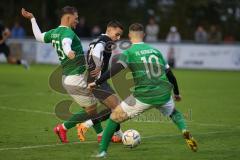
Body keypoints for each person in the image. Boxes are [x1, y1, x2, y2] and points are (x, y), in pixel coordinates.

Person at [88, 23, 198, 157]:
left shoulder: (129, 52)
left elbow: (115, 69)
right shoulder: (155, 51)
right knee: (174, 113)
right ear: (144, 35)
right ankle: (184, 130)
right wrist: (176, 93)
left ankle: (102, 152)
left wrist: (97, 82)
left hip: (143, 95)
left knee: (114, 117)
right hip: (163, 92)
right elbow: (170, 75)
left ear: (129, 36)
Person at [21, 6, 107, 143]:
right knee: (93, 109)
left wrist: (32, 19)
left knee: (91, 108)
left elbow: (38, 37)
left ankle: (99, 135)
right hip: (75, 78)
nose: (77, 21)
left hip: (69, 77)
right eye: (76, 18)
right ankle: (65, 128)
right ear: (68, 17)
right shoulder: (68, 33)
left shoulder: (54, 32)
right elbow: (66, 43)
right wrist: (68, 52)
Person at [77, 20, 124, 143]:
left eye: (120, 35)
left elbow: (93, 51)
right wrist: (98, 65)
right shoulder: (106, 40)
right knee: (117, 108)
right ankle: (85, 125)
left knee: (115, 107)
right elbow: (97, 50)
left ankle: (118, 135)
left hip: (96, 79)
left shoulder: (98, 38)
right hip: (97, 80)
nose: (118, 38)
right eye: (117, 34)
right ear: (109, 29)